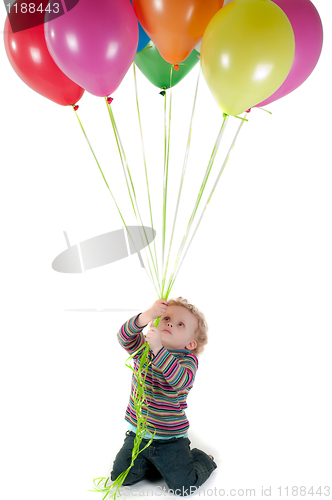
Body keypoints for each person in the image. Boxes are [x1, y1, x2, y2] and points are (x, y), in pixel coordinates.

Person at [110, 297, 217, 496]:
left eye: (180, 324)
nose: (169, 323)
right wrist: (146, 316)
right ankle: (154, 464)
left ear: (190, 343)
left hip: (170, 439)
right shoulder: (143, 349)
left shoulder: (188, 361)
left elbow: (179, 380)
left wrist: (158, 348)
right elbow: (123, 336)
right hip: (138, 435)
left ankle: (203, 460)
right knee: (120, 476)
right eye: (166, 318)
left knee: (183, 486)